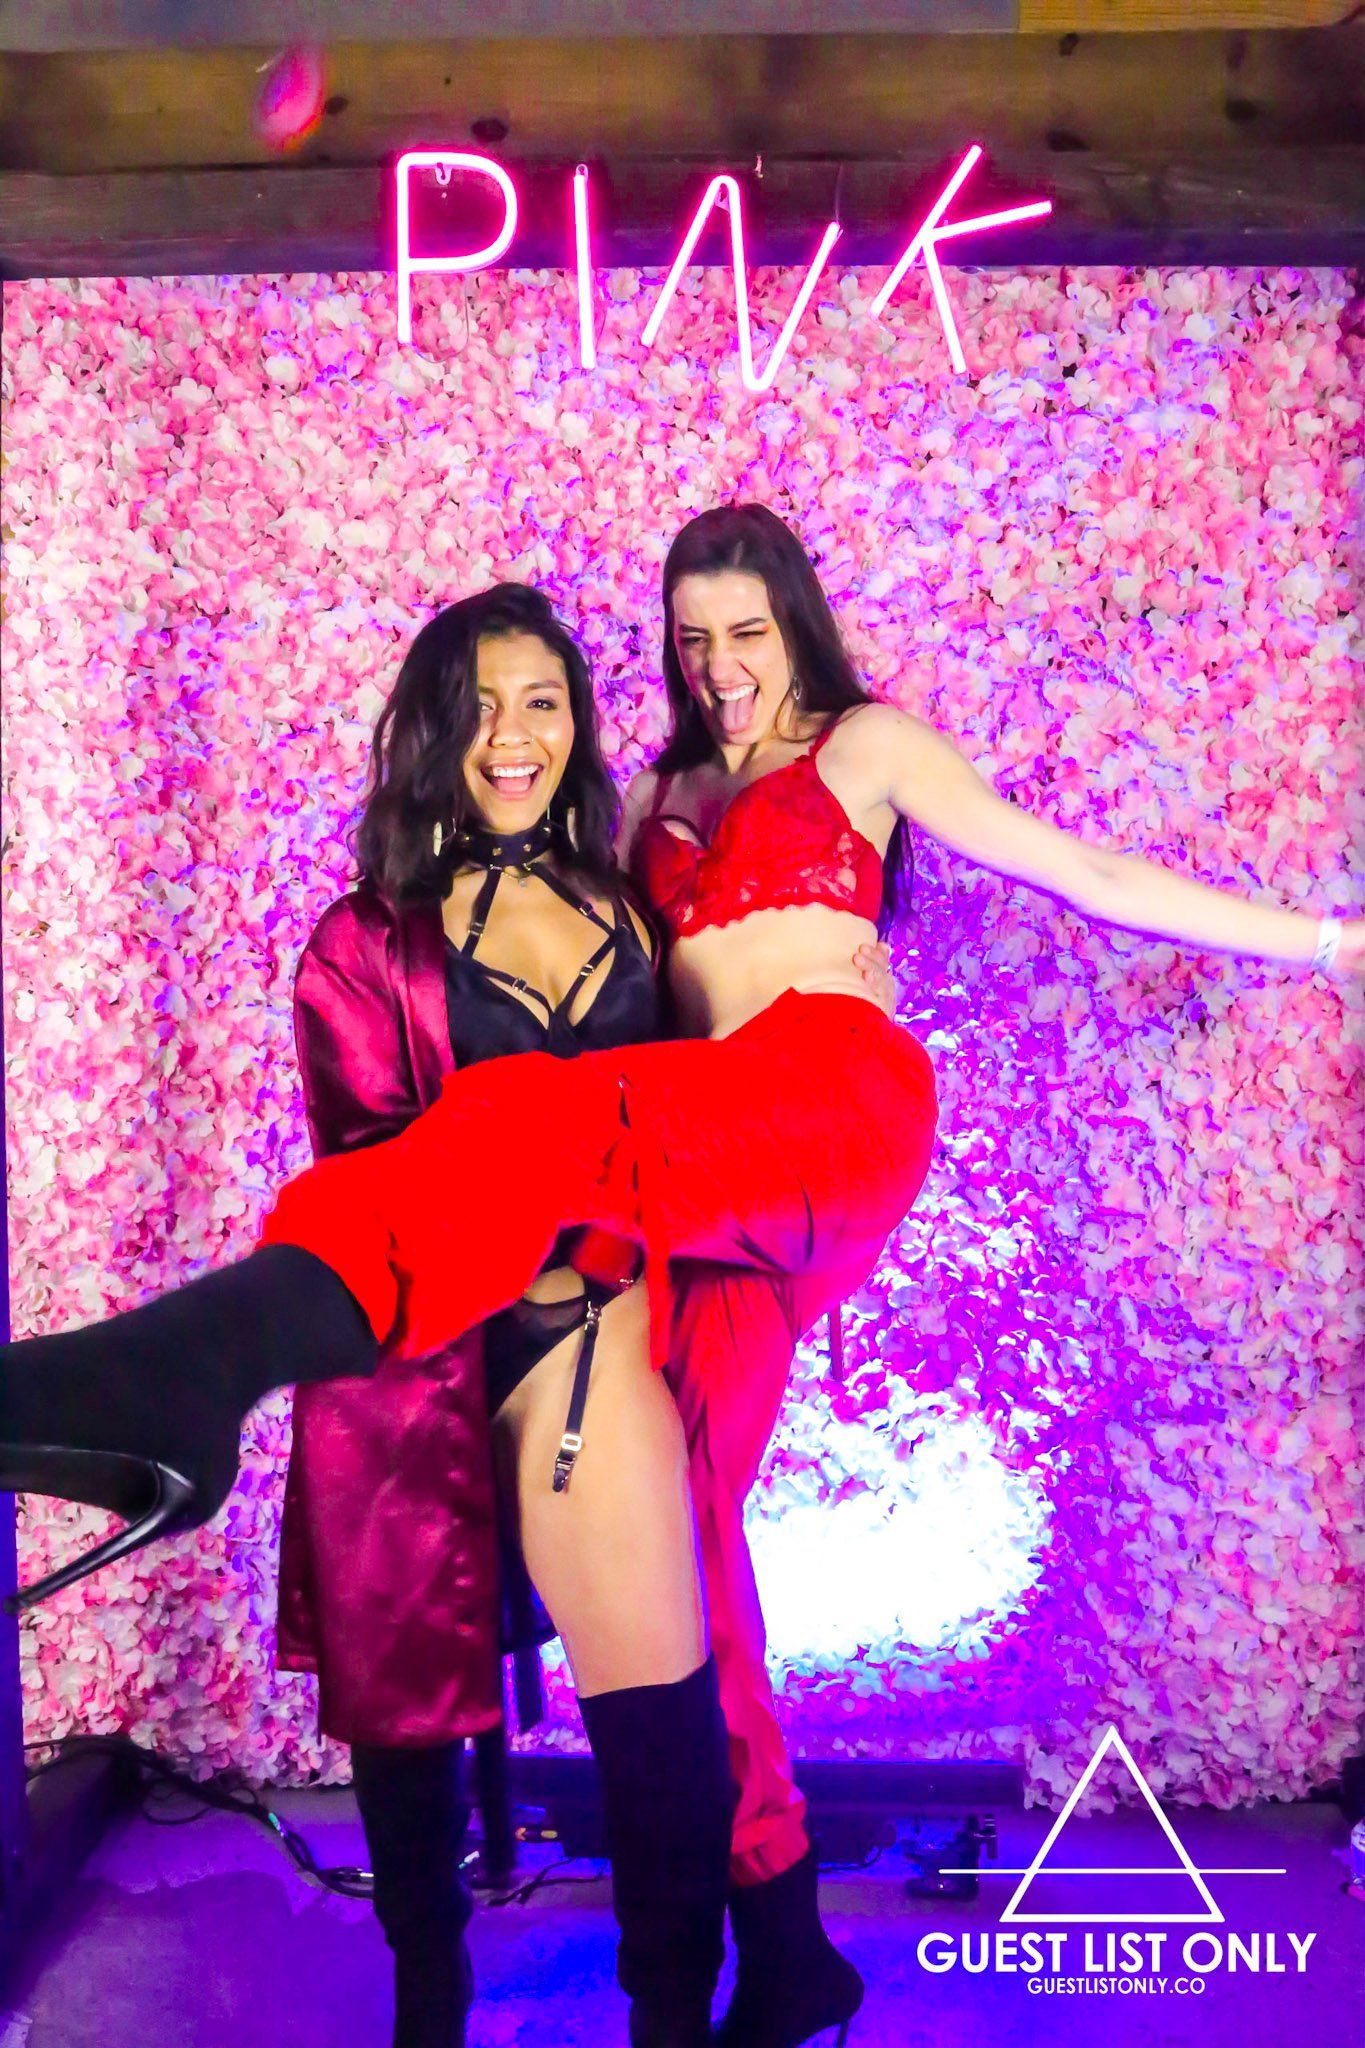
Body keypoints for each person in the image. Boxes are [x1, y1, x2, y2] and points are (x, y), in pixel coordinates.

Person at [2, 504, 1358, 2037]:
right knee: (692, 1558)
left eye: (748, 631)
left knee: (524, 1116)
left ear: (798, 624)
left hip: (823, 1109)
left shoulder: (864, 748)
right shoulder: (649, 803)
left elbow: (1083, 870)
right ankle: (782, 1950)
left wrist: (1331, 942)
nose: (720, 665)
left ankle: (188, 1364)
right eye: (692, 636)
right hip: (692, 1189)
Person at [280, 579, 887, 2048]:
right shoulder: (363, 939)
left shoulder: (622, 900)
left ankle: (669, 2016)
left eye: (542, 702)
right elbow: (373, 1173)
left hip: (585, 1332)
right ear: (432, 731)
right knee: (410, 1716)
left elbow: (696, 1099)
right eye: (480, 706)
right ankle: (430, 1999)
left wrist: (843, 998)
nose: (513, 735)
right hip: (414, 1357)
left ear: (576, 726)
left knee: (662, 1716)